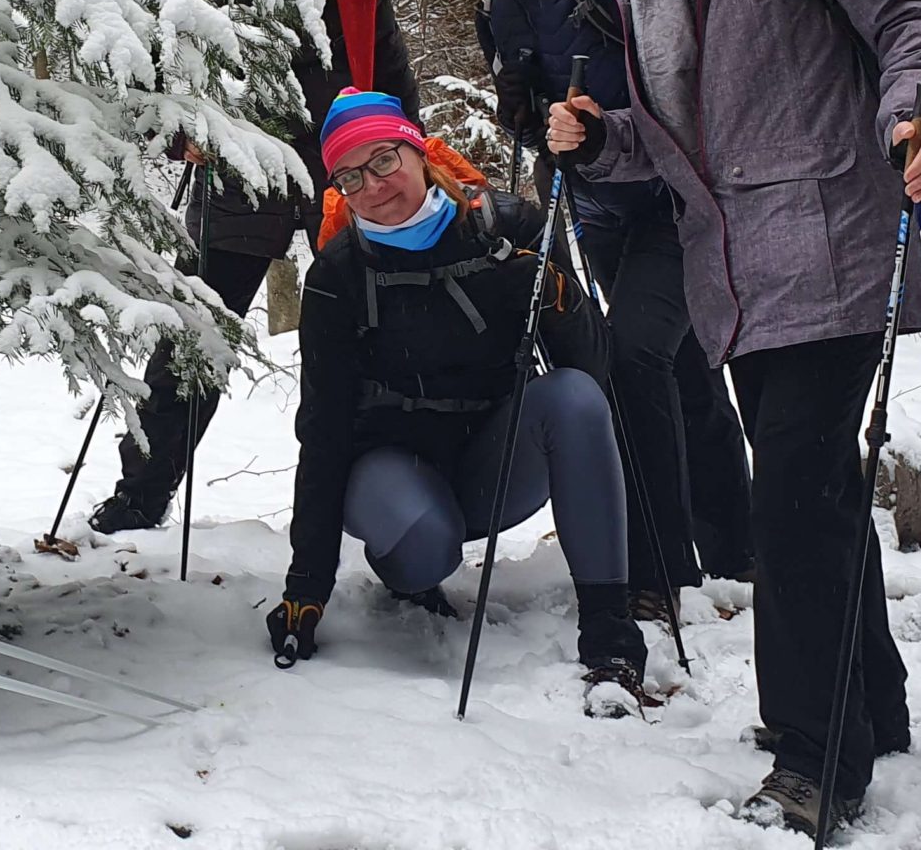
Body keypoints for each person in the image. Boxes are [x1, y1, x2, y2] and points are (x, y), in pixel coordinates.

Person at [548, 0, 921, 833]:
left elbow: (909, 22)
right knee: (816, 497)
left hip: (831, 243)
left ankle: (816, 759)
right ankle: (873, 703)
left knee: (786, 508)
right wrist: (602, 140)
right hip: (733, 277)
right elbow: (690, 143)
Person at [433, 0, 756, 615]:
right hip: (603, 212)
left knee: (634, 358)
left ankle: (659, 565)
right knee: (683, 369)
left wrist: (606, 123)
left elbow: (688, 74)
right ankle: (741, 550)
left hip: (677, 203)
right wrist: (528, 122)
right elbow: (545, 123)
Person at [88, 0, 421, 535]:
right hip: (238, 161)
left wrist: (407, 144)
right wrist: (182, 128)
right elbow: (159, 54)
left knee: (365, 329)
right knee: (198, 331)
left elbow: (385, 48)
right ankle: (142, 491)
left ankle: (376, 494)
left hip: (344, 161)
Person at [265, 90, 649, 696]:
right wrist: (305, 587)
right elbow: (324, 428)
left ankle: (610, 632)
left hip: (491, 464)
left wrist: (557, 299)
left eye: (385, 160)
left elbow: (594, 376)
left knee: (571, 398)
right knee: (424, 541)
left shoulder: (510, 226)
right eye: (350, 175)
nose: (373, 186)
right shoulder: (338, 275)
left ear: (418, 151)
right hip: (389, 472)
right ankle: (408, 578)